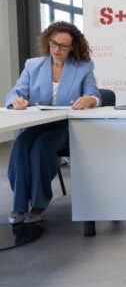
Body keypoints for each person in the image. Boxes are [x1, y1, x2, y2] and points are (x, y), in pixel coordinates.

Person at [6, 21, 101, 225]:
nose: (57, 49)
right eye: (53, 44)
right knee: (21, 144)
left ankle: (38, 205)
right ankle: (18, 206)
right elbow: (16, 91)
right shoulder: (33, 65)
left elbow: (94, 94)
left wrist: (90, 100)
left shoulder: (83, 67)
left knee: (42, 146)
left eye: (63, 46)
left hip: (65, 126)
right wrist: (16, 101)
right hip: (37, 123)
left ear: (72, 47)